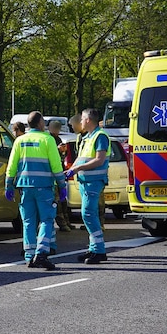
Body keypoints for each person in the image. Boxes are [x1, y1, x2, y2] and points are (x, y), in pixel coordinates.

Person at [5, 111, 67, 270]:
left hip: (24, 187)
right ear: (40, 123)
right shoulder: (48, 140)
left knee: (28, 221)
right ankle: (41, 254)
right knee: (46, 220)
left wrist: (9, 185)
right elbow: (56, 165)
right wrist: (61, 185)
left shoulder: (20, 140)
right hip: (44, 186)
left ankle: (29, 255)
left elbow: (11, 165)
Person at [66, 108, 110, 264]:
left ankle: (99, 251)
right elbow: (80, 158)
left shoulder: (100, 136)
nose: (81, 122)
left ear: (89, 120)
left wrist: (78, 169)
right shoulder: (88, 137)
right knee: (88, 215)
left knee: (88, 214)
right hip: (85, 182)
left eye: (83, 119)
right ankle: (94, 248)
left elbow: (99, 160)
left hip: (94, 181)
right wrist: (70, 170)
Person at [47, 119, 73, 232]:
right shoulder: (48, 139)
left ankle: (66, 221)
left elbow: (61, 158)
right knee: (57, 201)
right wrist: (57, 150)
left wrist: (64, 151)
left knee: (63, 201)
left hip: (60, 172)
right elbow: (50, 157)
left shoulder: (58, 139)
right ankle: (62, 224)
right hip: (53, 175)